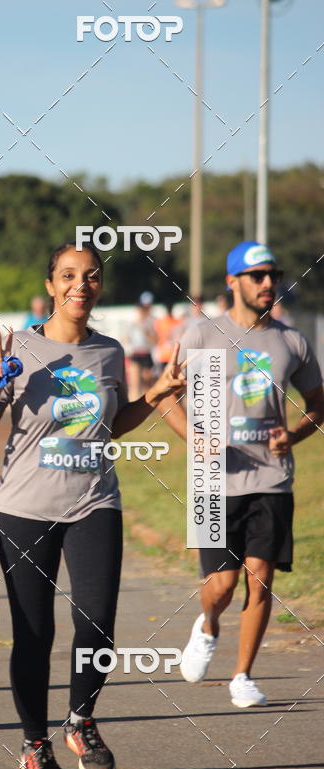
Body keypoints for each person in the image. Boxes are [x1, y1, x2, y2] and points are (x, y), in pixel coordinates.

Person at [0, 242, 186, 769]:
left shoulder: (110, 352)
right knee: (34, 632)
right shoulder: (17, 348)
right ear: (50, 285)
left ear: (100, 286)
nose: (80, 285)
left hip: (95, 501)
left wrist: (155, 395)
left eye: (90, 276)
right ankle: (33, 744)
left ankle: (80, 719)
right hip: (25, 507)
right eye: (68, 276)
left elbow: (111, 425)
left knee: (98, 622)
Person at [159, 241, 324, 708]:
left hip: (272, 478)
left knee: (261, 577)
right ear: (233, 281)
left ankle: (243, 676)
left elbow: (318, 403)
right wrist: (193, 437)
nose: (268, 283)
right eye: (257, 276)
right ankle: (208, 624)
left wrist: (294, 435)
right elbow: (165, 396)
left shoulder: (291, 342)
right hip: (212, 481)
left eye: (273, 274)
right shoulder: (201, 336)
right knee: (221, 586)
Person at [125, 291, 157, 400]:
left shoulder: (151, 321)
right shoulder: (132, 323)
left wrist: (145, 331)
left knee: (147, 384)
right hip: (135, 354)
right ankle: (133, 405)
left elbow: (155, 340)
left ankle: (147, 406)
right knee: (134, 385)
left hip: (146, 354)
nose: (141, 311)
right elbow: (126, 338)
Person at [154, 300, 183, 373]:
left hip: (174, 356)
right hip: (164, 356)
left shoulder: (178, 322)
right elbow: (157, 338)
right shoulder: (160, 322)